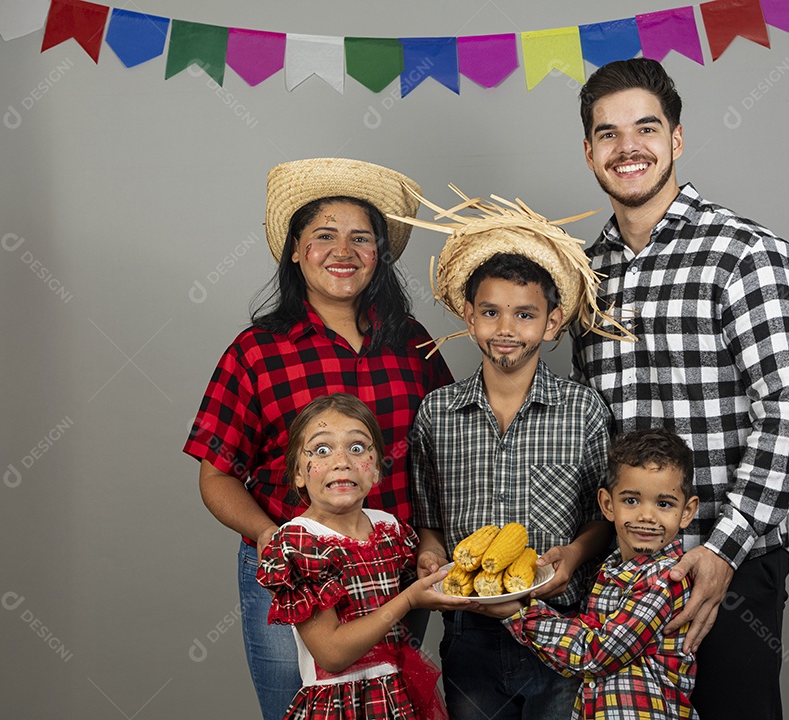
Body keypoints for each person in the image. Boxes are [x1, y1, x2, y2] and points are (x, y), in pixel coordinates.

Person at [571, 58, 789, 720]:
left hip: (727, 558)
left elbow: (787, 416)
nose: (629, 148)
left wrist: (723, 551)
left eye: (646, 128)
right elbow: (587, 423)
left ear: (677, 139)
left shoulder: (744, 252)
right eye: (608, 134)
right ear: (589, 151)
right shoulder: (581, 277)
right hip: (623, 569)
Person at [183, 158, 453, 720]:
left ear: (380, 254)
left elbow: (436, 458)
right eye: (324, 236)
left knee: (390, 705)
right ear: (295, 250)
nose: (343, 251)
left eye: (361, 238)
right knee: (297, 708)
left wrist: (429, 539)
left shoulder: (413, 343)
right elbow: (216, 474)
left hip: (395, 569)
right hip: (296, 570)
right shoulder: (256, 351)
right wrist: (268, 537)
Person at [394, 188, 630, 720]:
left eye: (525, 315)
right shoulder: (437, 414)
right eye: (491, 312)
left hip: (561, 626)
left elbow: (601, 516)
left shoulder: (583, 409)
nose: (506, 330)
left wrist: (572, 556)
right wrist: (430, 555)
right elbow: (429, 517)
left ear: (551, 324)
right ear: (469, 317)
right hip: (470, 632)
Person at [257, 393, 469, 720]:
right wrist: (409, 600)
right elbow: (332, 654)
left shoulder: (389, 528)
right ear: (298, 472)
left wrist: (428, 571)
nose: (342, 461)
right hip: (338, 704)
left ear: (375, 472)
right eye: (322, 450)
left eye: (357, 448)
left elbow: (412, 595)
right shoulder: (297, 544)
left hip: (398, 698)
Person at [482, 427, 701, 720]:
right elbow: (579, 648)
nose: (646, 516)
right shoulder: (610, 569)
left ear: (686, 512)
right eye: (631, 501)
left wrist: (522, 615)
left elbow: (595, 654)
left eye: (663, 504)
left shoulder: (664, 580)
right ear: (608, 505)